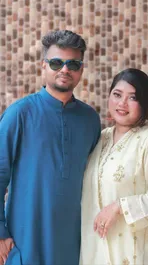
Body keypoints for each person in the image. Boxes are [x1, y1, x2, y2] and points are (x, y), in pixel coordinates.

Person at [0, 30, 101, 265]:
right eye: (56, 63)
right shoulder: (20, 114)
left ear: (81, 70)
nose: (64, 69)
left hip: (74, 246)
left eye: (72, 64)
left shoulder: (90, 120)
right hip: (24, 243)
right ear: (43, 66)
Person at [80, 68, 148, 265]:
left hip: (134, 253)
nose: (122, 103)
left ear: (145, 103)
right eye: (117, 94)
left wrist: (119, 207)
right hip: (94, 252)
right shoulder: (101, 137)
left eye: (133, 97)